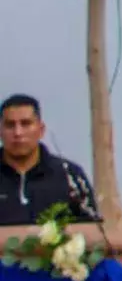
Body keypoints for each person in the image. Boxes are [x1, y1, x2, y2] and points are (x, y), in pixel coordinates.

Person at [0, 95, 96, 226]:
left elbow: (93, 230)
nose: (18, 133)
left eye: (26, 124)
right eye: (10, 125)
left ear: (41, 129)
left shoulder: (70, 175)